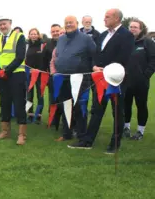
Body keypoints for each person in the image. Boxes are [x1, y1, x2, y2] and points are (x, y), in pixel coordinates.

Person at [69, 9, 135, 154]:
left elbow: (124, 57)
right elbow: (95, 53)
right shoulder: (103, 35)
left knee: (117, 111)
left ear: (117, 19)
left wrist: (105, 69)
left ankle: (115, 143)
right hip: (100, 79)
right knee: (97, 110)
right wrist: (94, 65)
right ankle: (87, 141)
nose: (104, 19)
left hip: (116, 80)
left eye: (107, 17)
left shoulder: (126, 35)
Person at [54, 16, 96, 141]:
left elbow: (94, 55)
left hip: (80, 78)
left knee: (79, 107)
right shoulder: (61, 39)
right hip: (63, 77)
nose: (68, 25)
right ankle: (67, 133)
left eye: (71, 22)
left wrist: (93, 67)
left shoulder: (86, 39)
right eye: (66, 23)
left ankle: (82, 135)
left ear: (77, 24)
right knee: (65, 105)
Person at [0, 16, 28, 145]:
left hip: (16, 74)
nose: (2, 27)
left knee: (19, 104)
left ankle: (21, 134)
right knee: (4, 103)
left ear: (10, 23)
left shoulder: (19, 37)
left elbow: (20, 56)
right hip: (2, 76)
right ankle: (5, 131)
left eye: (4, 24)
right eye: (0, 25)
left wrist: (6, 71)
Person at [123, 19, 155, 140]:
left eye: (135, 27)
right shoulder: (125, 43)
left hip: (141, 82)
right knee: (126, 105)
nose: (132, 29)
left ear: (141, 29)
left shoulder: (147, 42)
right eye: (131, 27)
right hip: (126, 81)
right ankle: (126, 128)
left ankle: (140, 131)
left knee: (141, 105)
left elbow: (153, 60)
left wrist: (145, 75)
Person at [25, 28, 46, 124]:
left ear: (38, 35)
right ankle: (30, 114)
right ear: (29, 35)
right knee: (29, 95)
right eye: (31, 34)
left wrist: (40, 69)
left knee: (40, 95)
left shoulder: (43, 45)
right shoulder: (26, 45)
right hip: (29, 74)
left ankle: (38, 116)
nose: (33, 35)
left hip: (40, 74)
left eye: (35, 34)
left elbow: (45, 59)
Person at [43, 24, 62, 129]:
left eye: (57, 31)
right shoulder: (48, 44)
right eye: (53, 31)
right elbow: (44, 60)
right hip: (52, 76)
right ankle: (53, 120)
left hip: (65, 76)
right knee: (53, 99)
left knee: (64, 99)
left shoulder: (65, 41)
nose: (55, 33)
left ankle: (65, 121)